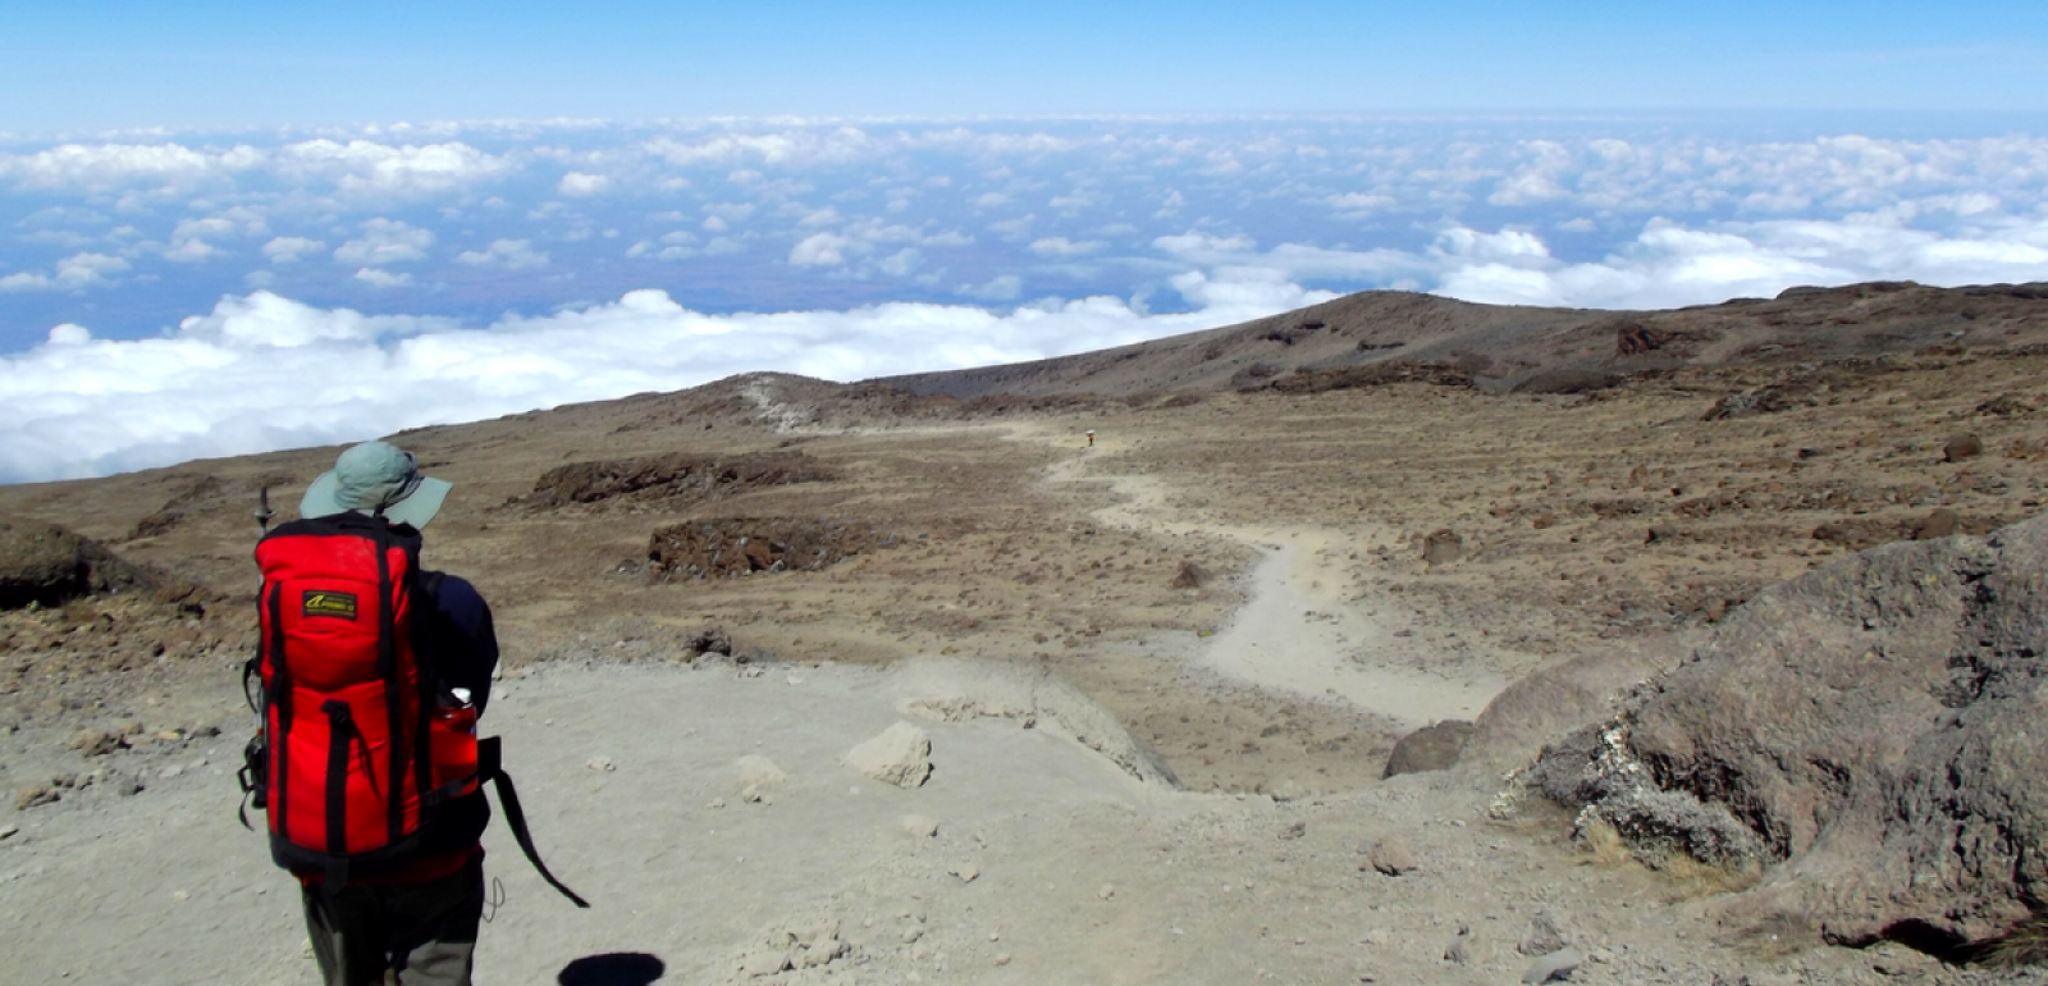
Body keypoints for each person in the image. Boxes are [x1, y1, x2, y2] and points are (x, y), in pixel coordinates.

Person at [290, 441, 500, 986]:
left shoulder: (288, 605)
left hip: (326, 843)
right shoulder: (453, 602)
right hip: (433, 847)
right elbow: (470, 698)